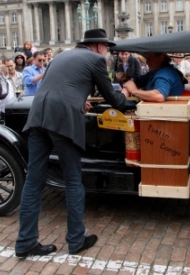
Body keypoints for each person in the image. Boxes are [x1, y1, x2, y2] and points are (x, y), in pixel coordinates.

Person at [15, 28, 129, 257]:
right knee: (74, 179)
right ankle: (76, 239)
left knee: (33, 180)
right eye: (106, 48)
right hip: (63, 119)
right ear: (99, 47)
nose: (106, 52)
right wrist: (126, 92)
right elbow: (113, 98)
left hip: (38, 113)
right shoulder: (96, 59)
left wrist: (79, 101)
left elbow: (60, 87)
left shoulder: (62, 55)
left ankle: (25, 242)